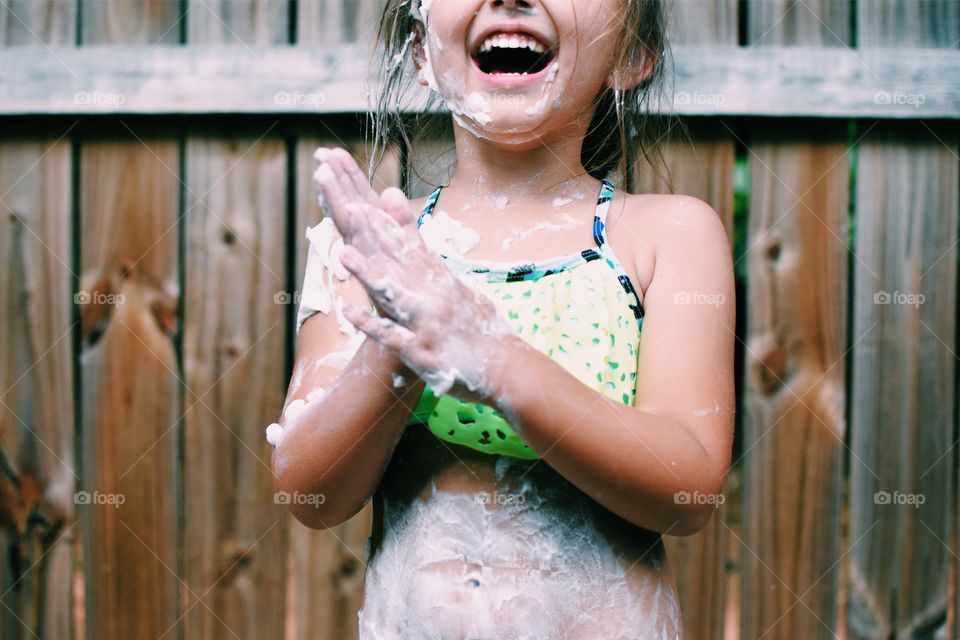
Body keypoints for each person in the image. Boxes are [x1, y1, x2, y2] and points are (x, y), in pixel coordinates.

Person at [270, 0, 735, 637]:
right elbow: (311, 494)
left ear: (631, 55)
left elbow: (689, 490)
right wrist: (400, 343)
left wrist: (496, 362)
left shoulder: (666, 235)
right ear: (421, 53)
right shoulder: (371, 250)